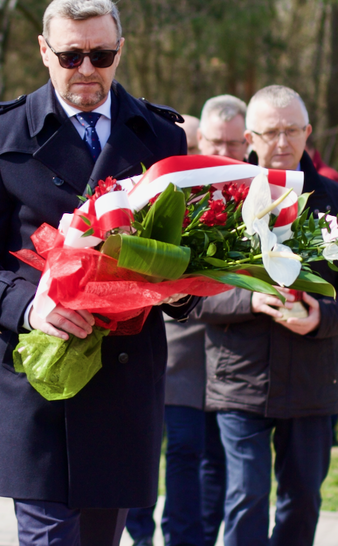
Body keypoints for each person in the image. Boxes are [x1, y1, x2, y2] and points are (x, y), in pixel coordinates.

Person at [0, 0, 193, 546]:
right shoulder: (2, 132)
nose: (86, 69)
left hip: (122, 379)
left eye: (100, 55)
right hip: (37, 376)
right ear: (44, 51)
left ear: (120, 51)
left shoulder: (161, 135)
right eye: (70, 55)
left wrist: (180, 290)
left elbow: (184, 255)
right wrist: (30, 308)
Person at [194, 85, 338, 546]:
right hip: (239, 377)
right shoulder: (218, 202)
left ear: (308, 132)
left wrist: (323, 316)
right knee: (247, 496)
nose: (282, 142)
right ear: (250, 138)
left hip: (311, 378)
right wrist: (248, 300)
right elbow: (189, 296)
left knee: (302, 502)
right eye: (270, 132)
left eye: (292, 130)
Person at [126, 95, 244, 546]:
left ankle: (195, 536)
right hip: (179, 345)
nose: (221, 152)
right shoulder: (171, 190)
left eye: (232, 143)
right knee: (175, 448)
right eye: (210, 143)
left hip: (229, 352)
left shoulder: (248, 191)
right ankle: (144, 534)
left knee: (210, 456)